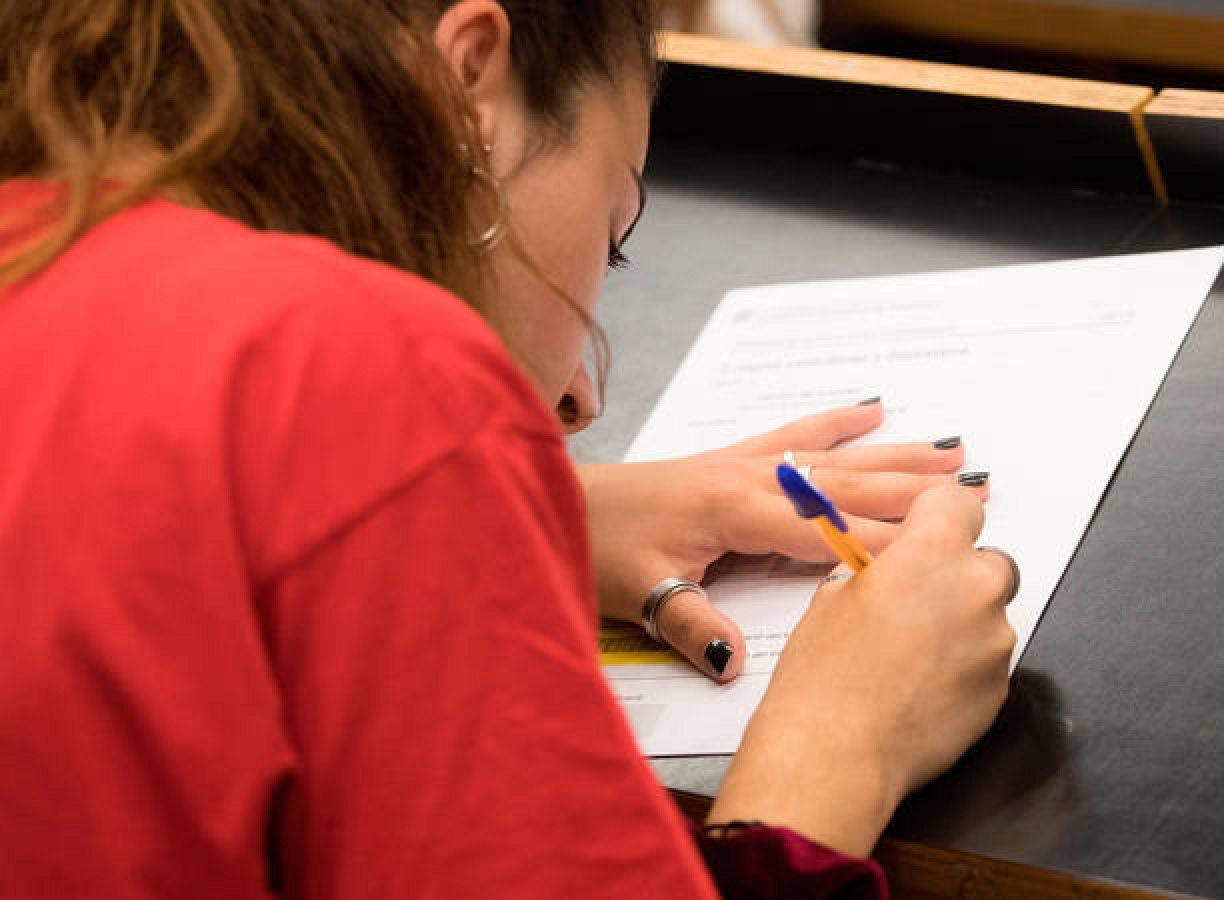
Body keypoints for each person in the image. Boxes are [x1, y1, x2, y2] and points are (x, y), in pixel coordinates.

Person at [0, 2, 1019, 896]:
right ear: (467, 83)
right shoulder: (346, 370)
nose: (577, 399)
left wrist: (544, 512)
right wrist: (840, 748)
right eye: (612, 235)